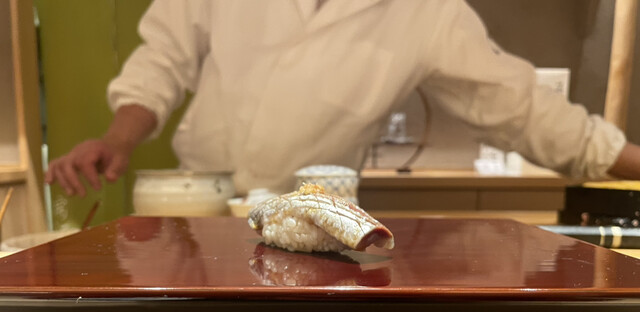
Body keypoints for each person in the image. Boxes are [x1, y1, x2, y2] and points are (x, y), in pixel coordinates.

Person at [45, 0, 640, 198]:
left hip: (317, 227)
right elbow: (163, 57)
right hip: (200, 204)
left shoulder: (427, 12)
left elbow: (525, 112)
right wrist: (118, 138)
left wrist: (631, 162)